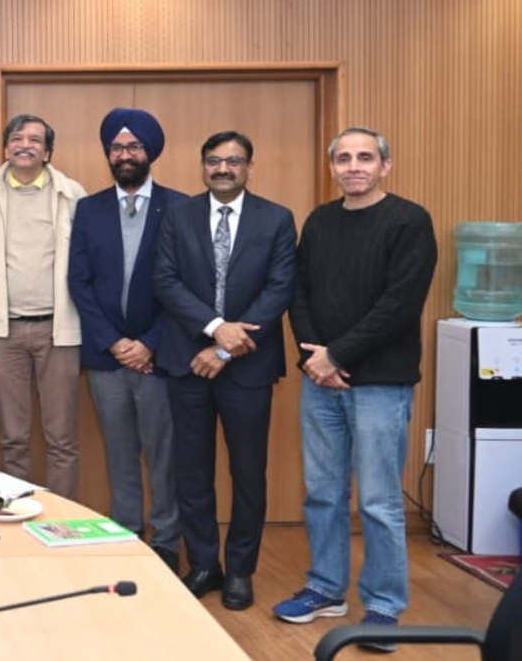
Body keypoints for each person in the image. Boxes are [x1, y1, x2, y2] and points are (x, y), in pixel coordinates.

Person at [273, 127, 437, 644]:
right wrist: (314, 360)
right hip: (321, 381)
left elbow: (399, 304)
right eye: (343, 158)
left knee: (380, 502)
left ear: (385, 166)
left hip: (380, 385)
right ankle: (325, 589)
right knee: (323, 493)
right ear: (333, 167)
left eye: (365, 157)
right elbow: (298, 295)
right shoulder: (319, 221)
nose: (353, 166)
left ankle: (384, 607)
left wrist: (337, 355)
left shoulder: (409, 221)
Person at [154, 131, 296, 611]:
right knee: (192, 471)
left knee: (248, 472)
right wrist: (215, 329)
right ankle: (203, 564)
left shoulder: (276, 219)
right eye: (214, 160)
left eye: (234, 161)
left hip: (248, 366)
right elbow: (165, 281)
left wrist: (228, 349)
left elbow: (278, 291)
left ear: (249, 167)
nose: (223, 168)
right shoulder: (178, 215)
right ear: (202, 166)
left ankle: (239, 570)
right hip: (188, 360)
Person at [67, 108, 187, 571]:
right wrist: (114, 342)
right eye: (117, 147)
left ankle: (167, 539)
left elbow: (184, 285)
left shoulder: (180, 207)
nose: (125, 154)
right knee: (119, 450)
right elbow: (79, 281)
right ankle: (129, 534)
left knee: (162, 452)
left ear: (150, 151)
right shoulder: (89, 208)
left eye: (134, 146)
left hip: (158, 354)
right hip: (106, 355)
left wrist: (149, 342)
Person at [0, 114, 86, 497]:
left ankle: (62, 520)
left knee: (62, 438)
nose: (25, 145)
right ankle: (18, 517)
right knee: (13, 438)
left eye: (35, 140)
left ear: (48, 151)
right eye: (17, 138)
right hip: (2, 331)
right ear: (6, 147)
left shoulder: (72, 194)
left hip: (59, 330)